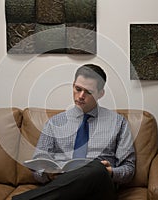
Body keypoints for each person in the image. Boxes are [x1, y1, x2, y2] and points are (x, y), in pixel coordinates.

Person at [13, 64, 136, 200]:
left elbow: (129, 169)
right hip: (61, 186)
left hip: (99, 188)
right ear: (73, 86)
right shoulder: (54, 123)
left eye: (88, 92)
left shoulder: (118, 122)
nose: (81, 96)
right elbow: (37, 165)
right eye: (77, 89)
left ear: (101, 94)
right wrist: (48, 173)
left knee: (96, 168)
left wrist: (110, 172)